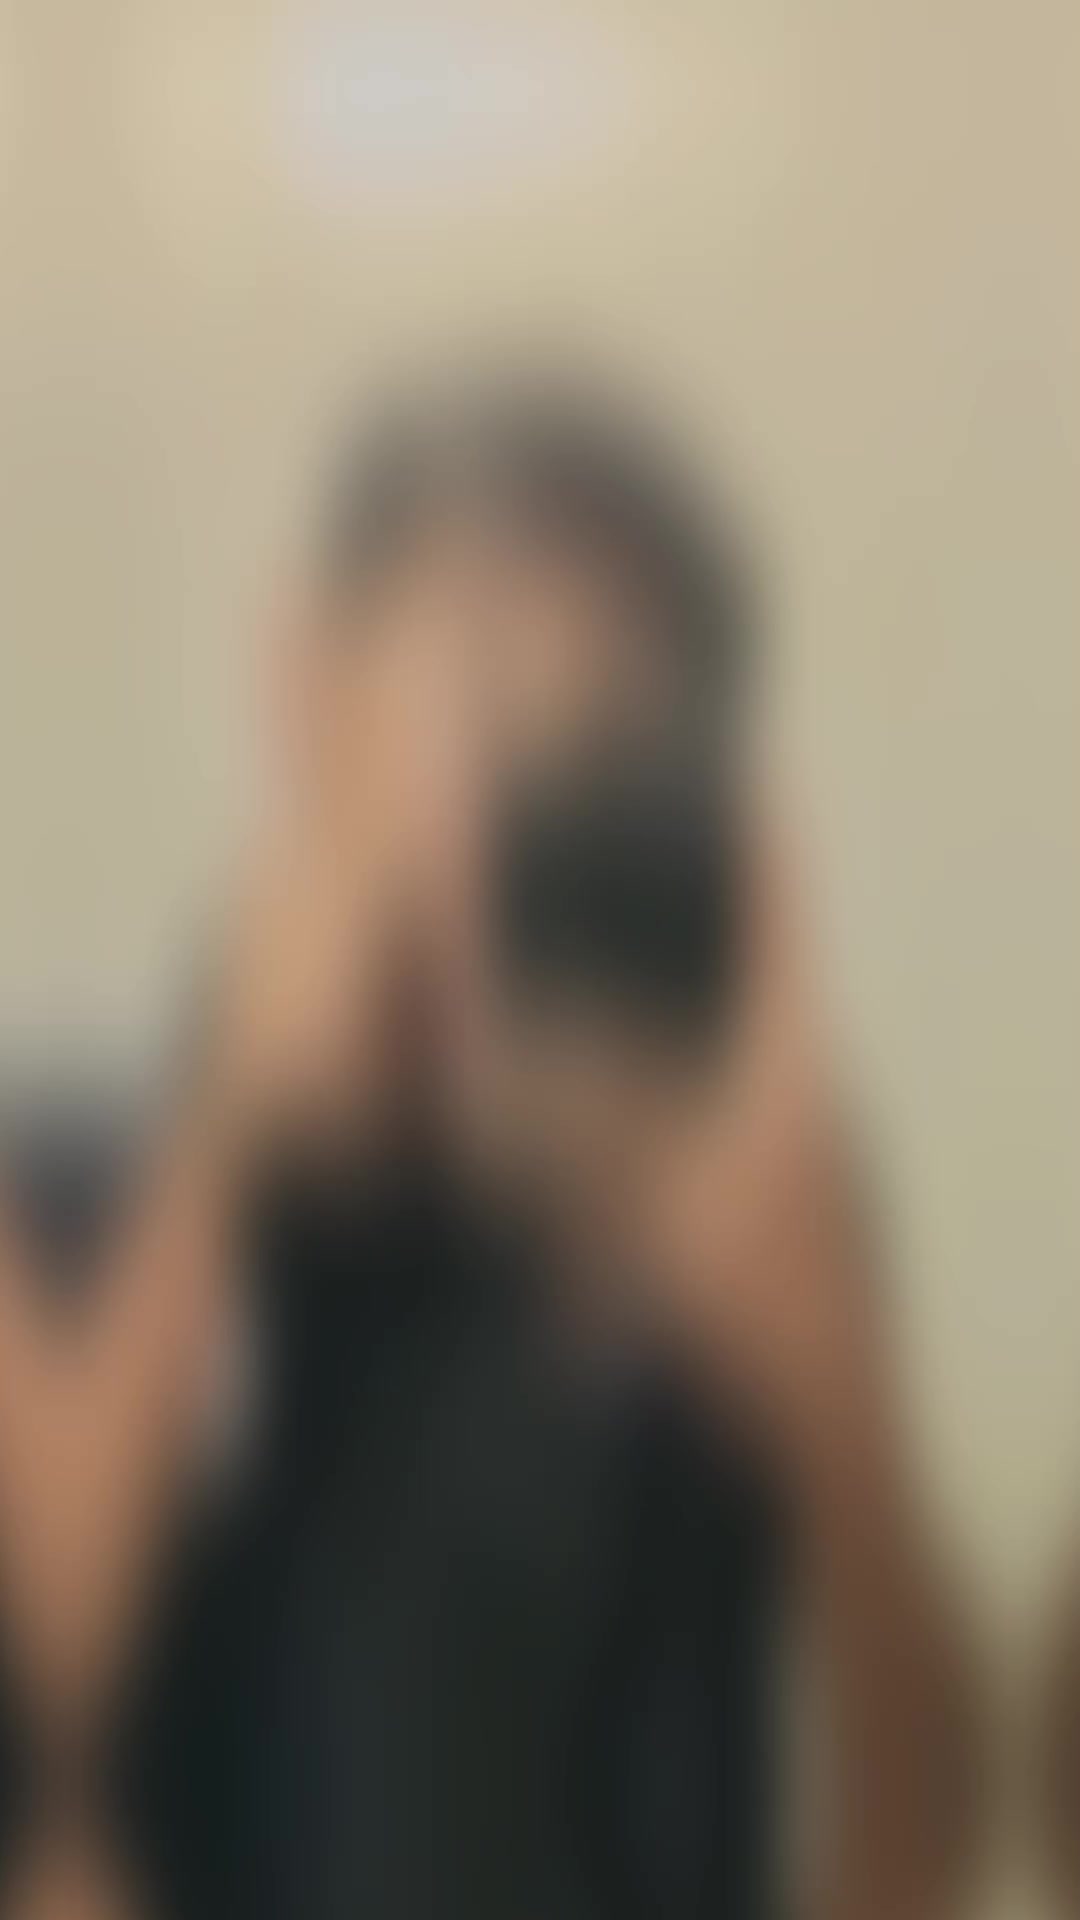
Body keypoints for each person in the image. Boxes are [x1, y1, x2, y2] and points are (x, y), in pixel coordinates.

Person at [0, 381, 978, 1919]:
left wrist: (830, 1404)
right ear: (306, 684)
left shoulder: (713, 1208)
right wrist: (224, 1146)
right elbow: (58, 1719)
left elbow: (923, 1791)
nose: (522, 771)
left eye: (607, 733)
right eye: (481, 676)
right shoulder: (70, 1171)